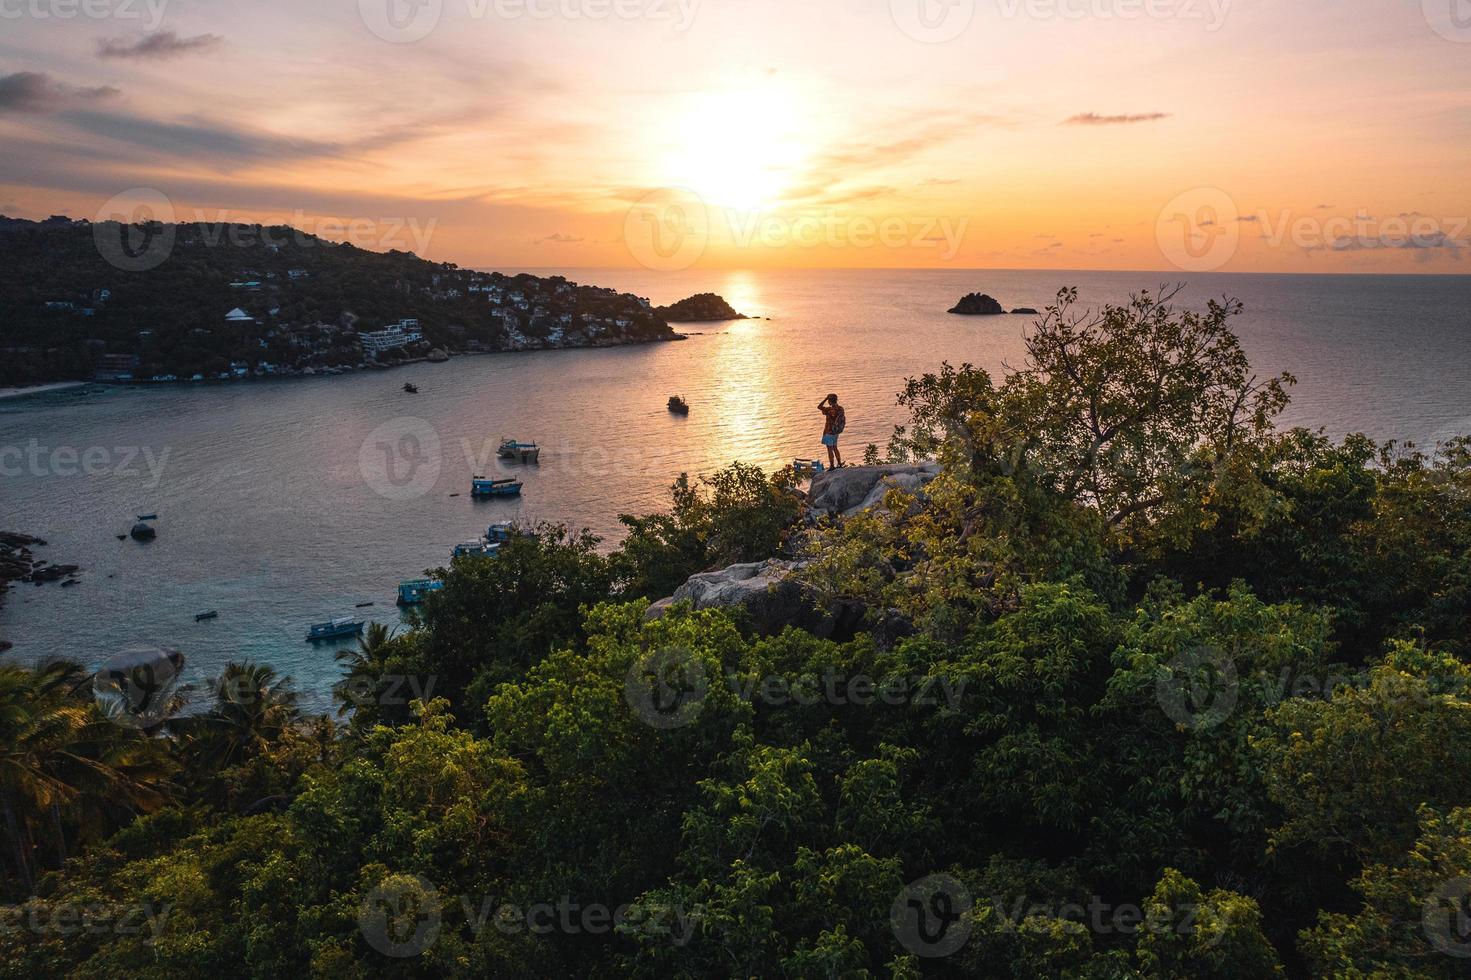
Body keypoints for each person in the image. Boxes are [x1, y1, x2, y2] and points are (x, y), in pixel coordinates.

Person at [818, 393, 845, 470]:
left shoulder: (829, 410)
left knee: (829, 449)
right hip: (836, 431)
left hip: (829, 431)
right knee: (835, 447)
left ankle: (832, 465)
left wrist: (825, 398)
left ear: (829, 401)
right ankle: (839, 463)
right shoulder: (840, 408)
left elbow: (819, 407)